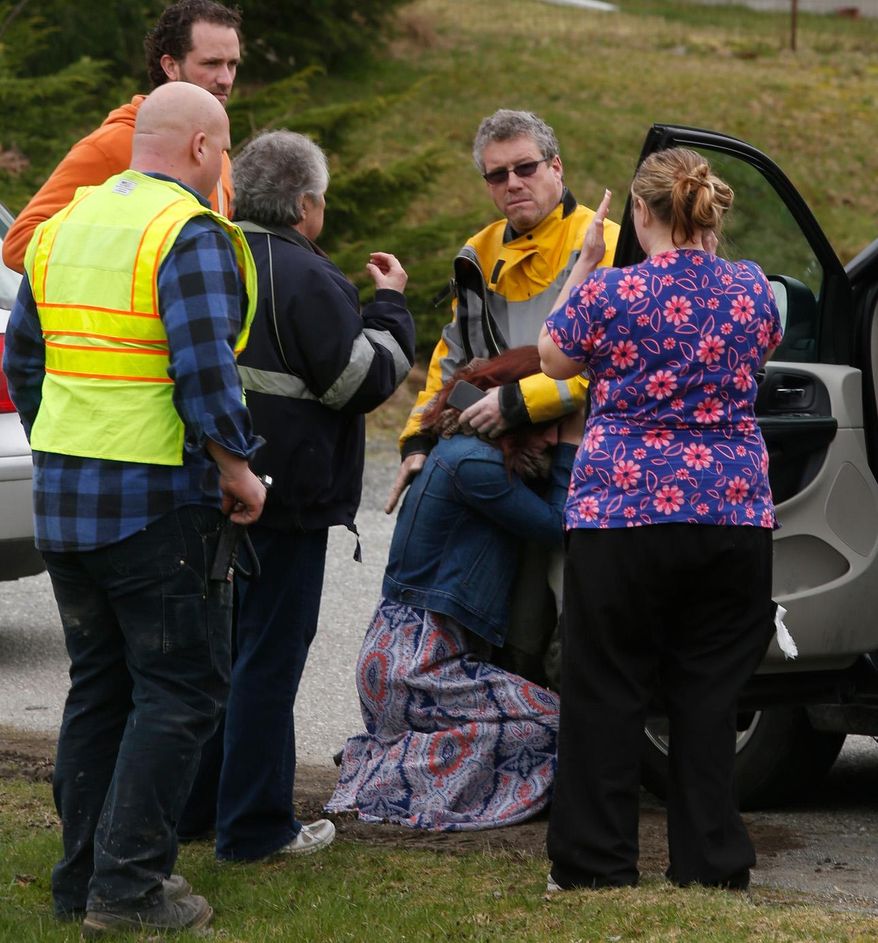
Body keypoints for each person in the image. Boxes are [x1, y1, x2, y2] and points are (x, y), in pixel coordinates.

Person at [2, 82, 265, 935]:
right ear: (200, 149)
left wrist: (65, 446)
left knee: (101, 689)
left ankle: (80, 880)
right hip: (156, 506)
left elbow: (25, 360)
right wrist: (238, 468)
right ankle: (129, 890)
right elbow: (204, 370)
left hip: (66, 505)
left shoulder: (64, 226)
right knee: (181, 690)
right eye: (222, 150)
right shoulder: (183, 233)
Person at [538, 147, 783, 891]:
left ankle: (595, 862)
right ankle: (712, 862)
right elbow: (764, 353)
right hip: (733, 511)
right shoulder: (753, 291)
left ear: (640, 213)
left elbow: (551, 357)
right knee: (710, 691)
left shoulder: (610, 291)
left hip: (623, 511)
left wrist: (582, 263)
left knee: (606, 684)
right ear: (705, 211)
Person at [195, 130, 414, 862]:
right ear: (306, 205)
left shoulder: (207, 255)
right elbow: (359, 383)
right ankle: (255, 827)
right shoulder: (307, 275)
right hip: (285, 502)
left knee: (215, 657)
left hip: (208, 487)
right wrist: (389, 309)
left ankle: (200, 807)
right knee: (269, 659)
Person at [327, 347, 581, 830]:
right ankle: (385, 772)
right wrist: (571, 442)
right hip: (417, 666)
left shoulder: (466, 454)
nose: (550, 434)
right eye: (546, 419)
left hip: (405, 660)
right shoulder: (474, 465)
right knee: (562, 723)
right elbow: (560, 523)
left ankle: (391, 758)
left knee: (541, 721)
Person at [385, 108, 620, 515]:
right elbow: (451, 358)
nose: (513, 183)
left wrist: (515, 403)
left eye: (525, 168)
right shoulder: (479, 251)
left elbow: (609, 365)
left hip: (578, 453)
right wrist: (417, 440)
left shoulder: (604, 242)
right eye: (498, 175)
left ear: (556, 168)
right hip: (501, 444)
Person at [2, 0, 242, 274]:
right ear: (170, 66)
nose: (225, 78)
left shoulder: (217, 150)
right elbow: (20, 245)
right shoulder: (113, 144)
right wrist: (137, 263)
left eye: (232, 64)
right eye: (211, 63)